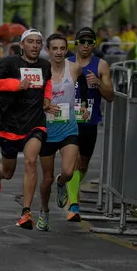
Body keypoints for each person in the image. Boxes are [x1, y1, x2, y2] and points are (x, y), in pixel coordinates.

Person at [0, 28, 52, 230]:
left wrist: (47, 98)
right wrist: (16, 85)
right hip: (10, 124)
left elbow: (47, 84)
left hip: (35, 122)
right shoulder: (10, 63)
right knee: (8, 171)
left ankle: (26, 212)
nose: (34, 45)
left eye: (38, 42)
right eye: (30, 42)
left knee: (31, 161)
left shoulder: (45, 65)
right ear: (22, 45)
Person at [36, 34, 89, 231]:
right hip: (48, 130)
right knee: (46, 178)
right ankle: (44, 212)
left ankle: (62, 183)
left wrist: (83, 103)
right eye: (54, 48)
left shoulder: (73, 67)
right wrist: (43, 105)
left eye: (62, 48)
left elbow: (82, 82)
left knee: (68, 171)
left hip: (68, 127)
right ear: (48, 50)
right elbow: (32, 95)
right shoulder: (42, 70)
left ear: (66, 50)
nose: (58, 52)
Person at [67, 27, 114, 221]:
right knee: (73, 162)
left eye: (89, 42)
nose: (85, 45)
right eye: (82, 41)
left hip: (89, 120)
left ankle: (69, 186)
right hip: (67, 120)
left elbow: (111, 96)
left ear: (94, 44)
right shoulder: (66, 63)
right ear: (76, 43)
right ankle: (73, 205)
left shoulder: (101, 65)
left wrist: (98, 83)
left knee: (83, 164)